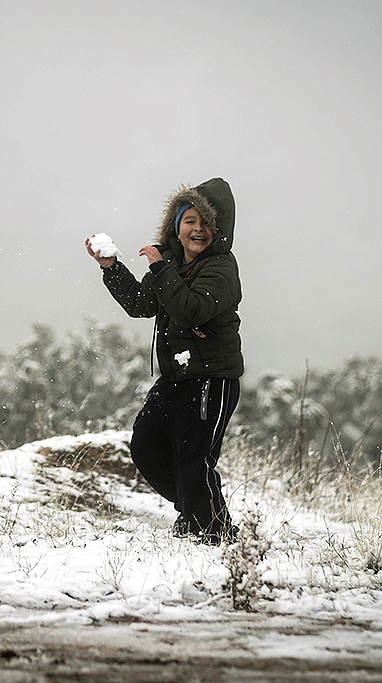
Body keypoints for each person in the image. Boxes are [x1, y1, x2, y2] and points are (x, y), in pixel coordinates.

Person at [85, 178, 243, 545]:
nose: (198, 229)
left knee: (193, 460)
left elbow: (190, 310)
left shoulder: (221, 268)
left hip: (211, 380)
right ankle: (197, 512)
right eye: (190, 221)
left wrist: (160, 269)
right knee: (146, 447)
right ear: (176, 225)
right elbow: (142, 304)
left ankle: (211, 531)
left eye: (206, 222)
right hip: (176, 377)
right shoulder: (171, 263)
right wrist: (112, 267)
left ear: (218, 229)